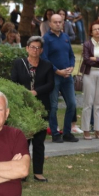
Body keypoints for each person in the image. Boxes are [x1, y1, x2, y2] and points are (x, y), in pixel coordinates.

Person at [11, 36, 54, 182]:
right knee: (23, 141)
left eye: (38, 48)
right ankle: (22, 172)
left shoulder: (47, 65)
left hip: (41, 108)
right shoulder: (18, 63)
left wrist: (36, 92)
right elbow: (13, 82)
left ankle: (38, 172)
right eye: (32, 47)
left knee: (39, 141)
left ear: (41, 50)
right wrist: (25, 94)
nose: (35, 50)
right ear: (27, 48)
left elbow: (51, 85)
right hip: (23, 107)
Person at [41, 14, 78, 143]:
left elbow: (71, 55)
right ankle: (55, 134)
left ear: (63, 23)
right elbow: (44, 59)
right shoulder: (46, 39)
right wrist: (57, 71)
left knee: (72, 104)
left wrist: (71, 67)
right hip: (54, 76)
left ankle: (67, 133)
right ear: (50, 24)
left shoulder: (65, 37)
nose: (57, 24)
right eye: (55, 22)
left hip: (67, 76)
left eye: (60, 22)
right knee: (54, 106)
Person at [81, 20, 99, 140]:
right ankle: (86, 130)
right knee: (88, 102)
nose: (97, 31)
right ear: (91, 32)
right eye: (95, 29)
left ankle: (97, 129)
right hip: (90, 73)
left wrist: (96, 58)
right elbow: (86, 60)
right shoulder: (87, 44)